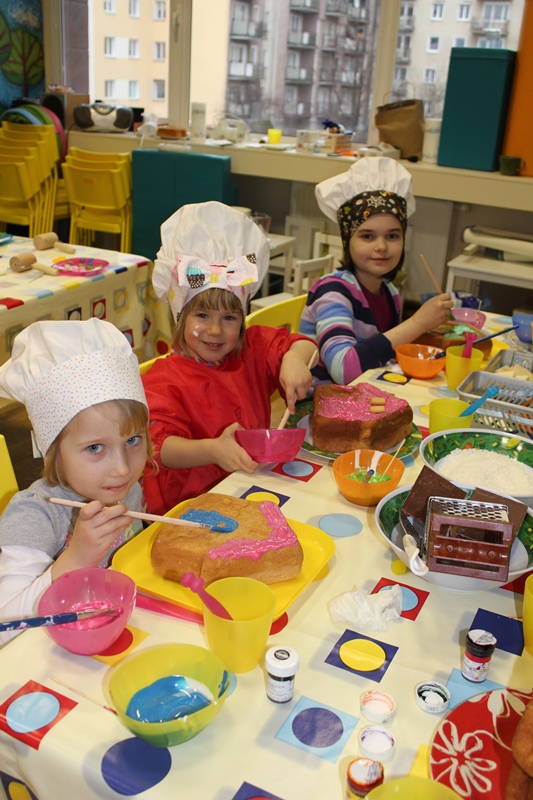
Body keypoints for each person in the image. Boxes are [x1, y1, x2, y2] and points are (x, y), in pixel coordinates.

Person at [141, 201, 317, 515]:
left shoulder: (250, 350)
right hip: (189, 508)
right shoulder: (162, 381)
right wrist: (213, 450)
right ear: (180, 317)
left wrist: (293, 361)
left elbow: (302, 344)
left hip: (248, 492)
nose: (215, 330)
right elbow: (158, 448)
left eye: (229, 318)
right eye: (202, 315)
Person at [0, 318, 150, 646]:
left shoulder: (126, 488)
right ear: (54, 450)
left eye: (133, 440)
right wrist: (77, 558)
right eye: (95, 448)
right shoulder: (35, 514)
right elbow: (6, 628)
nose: (123, 469)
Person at [299, 157, 454, 385]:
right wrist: (417, 323)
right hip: (320, 407)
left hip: (366, 397)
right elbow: (343, 370)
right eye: (367, 236)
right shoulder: (332, 292)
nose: (381, 247)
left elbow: (385, 351)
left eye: (392, 236)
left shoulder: (390, 292)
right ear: (347, 241)